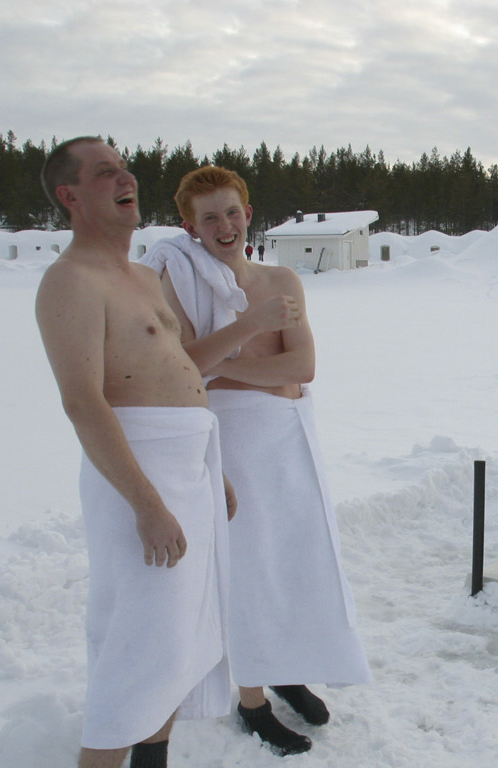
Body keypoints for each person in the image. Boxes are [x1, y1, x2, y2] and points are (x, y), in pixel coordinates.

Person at [142, 166, 371, 755]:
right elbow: (184, 364)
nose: (224, 225)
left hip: (288, 436)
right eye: (209, 217)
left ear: (248, 211)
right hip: (233, 441)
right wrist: (245, 335)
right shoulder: (182, 279)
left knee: (294, 557)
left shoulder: (282, 279)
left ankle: (284, 663)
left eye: (232, 211)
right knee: (247, 569)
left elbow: (301, 368)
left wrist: (225, 361)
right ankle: (252, 702)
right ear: (189, 226)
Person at [34, 137, 236, 768]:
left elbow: (175, 369)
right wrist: (146, 504)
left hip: (187, 467)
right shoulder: (70, 282)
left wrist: (210, 470)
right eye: (104, 173)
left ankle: (154, 759)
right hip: (135, 476)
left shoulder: (145, 276)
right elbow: (83, 402)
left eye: (124, 167)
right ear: (71, 196)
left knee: (177, 639)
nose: (126, 178)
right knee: (137, 642)